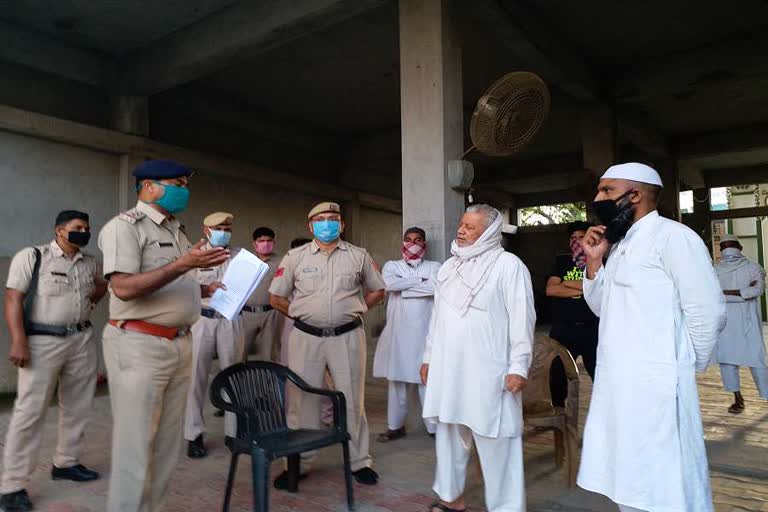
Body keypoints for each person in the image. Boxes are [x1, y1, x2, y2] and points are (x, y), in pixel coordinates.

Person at [579, 162, 726, 512]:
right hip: (618, 383)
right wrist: (594, 264)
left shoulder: (674, 237)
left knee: (665, 481)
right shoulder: (620, 244)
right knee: (628, 477)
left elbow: (708, 310)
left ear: (635, 195)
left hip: (657, 383)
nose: (598, 198)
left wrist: (682, 365)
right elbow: (603, 307)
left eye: (606, 191)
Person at [98, 160, 229, 512]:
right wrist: (184, 265)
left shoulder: (176, 231)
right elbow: (123, 288)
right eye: (177, 183)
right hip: (140, 345)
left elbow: (172, 281)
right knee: (135, 446)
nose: (184, 190)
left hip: (179, 343)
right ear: (148, 187)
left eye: (186, 183)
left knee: (166, 447)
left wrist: (203, 289)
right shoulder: (124, 228)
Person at [421, 204, 535, 512]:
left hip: (491, 372)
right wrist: (429, 357)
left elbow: (522, 319)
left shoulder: (509, 266)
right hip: (448, 369)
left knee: (497, 440)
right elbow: (437, 319)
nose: (461, 230)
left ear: (488, 232)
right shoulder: (448, 268)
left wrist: (518, 366)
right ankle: (450, 498)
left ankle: (507, 507)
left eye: (470, 227)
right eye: (461, 224)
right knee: (449, 434)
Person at [269, 201, 385, 487]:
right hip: (306, 337)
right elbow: (277, 298)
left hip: (347, 337)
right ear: (310, 226)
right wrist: (302, 315)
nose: (327, 223)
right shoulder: (295, 257)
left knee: (351, 399)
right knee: (302, 401)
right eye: (321, 219)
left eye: (333, 218)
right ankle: (298, 462)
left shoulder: (358, 256)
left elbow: (377, 290)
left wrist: (354, 310)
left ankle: (359, 462)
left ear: (342, 224)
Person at [1, 210, 107, 512]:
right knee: (29, 413)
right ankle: (12, 485)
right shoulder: (33, 256)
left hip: (82, 339)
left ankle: (66, 462)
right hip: (41, 342)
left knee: (78, 405)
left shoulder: (89, 262)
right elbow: (13, 299)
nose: (84, 232)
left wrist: (90, 302)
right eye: (77, 228)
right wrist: (19, 340)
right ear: (60, 231)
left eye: (87, 228)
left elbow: (99, 286)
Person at [184, 211, 245, 458]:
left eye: (228, 228)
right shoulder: (194, 255)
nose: (225, 232)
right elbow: (184, 288)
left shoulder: (240, 256)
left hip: (231, 320)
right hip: (203, 320)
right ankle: (194, 434)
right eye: (220, 228)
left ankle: (235, 433)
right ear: (206, 230)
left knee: (234, 377)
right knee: (195, 377)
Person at [373, 227, 440, 442]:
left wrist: (405, 286)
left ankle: (434, 429)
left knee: (426, 381)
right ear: (403, 242)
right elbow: (389, 285)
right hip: (398, 334)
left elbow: (437, 287)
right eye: (409, 239)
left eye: (418, 240)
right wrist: (421, 282)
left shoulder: (435, 266)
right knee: (397, 382)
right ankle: (395, 426)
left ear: (425, 244)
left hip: (425, 333)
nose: (413, 243)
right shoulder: (392, 266)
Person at [545, 221, 599, 407]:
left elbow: (603, 289)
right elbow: (551, 289)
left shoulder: (598, 261)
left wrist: (566, 285)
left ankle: (606, 418)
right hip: (564, 329)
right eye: (573, 238)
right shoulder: (562, 261)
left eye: (580, 237)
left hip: (593, 329)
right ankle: (559, 415)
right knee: (557, 375)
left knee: (600, 376)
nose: (576, 241)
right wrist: (585, 289)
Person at [713, 234, 768, 413]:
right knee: (727, 362)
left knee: (757, 360)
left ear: (740, 247)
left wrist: (725, 294)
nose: (729, 251)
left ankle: (766, 395)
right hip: (726, 323)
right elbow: (712, 294)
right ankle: (737, 398)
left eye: (731, 246)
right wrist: (742, 292)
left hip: (748, 322)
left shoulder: (753, 267)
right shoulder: (715, 269)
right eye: (726, 247)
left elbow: (757, 290)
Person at [242, 227, 283, 361]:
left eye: (269, 240)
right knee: (239, 352)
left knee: (270, 354)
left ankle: (270, 381)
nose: (265, 243)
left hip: (271, 313)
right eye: (261, 241)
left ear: (274, 243)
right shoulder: (246, 261)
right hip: (246, 314)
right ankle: (238, 381)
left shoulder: (281, 262)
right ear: (254, 243)